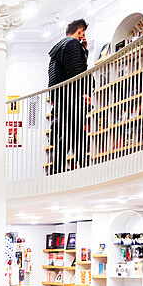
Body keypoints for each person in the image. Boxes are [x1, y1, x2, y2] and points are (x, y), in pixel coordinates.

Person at [48, 18, 90, 174]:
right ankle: (85, 169)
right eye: (83, 33)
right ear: (81, 31)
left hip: (61, 97)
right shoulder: (72, 45)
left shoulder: (57, 49)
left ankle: (56, 170)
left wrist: (84, 50)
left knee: (69, 134)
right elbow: (78, 72)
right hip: (71, 96)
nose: (83, 36)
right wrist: (85, 92)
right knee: (77, 133)